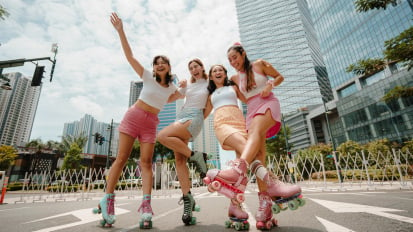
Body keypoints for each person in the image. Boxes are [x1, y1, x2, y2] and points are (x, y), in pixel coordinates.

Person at [94, 12, 178, 228]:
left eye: (164, 63)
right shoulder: (147, 76)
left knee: (147, 163)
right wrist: (121, 30)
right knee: (121, 159)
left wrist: (194, 83)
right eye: (156, 63)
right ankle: (108, 201)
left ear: (169, 67)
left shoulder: (171, 88)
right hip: (134, 117)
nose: (159, 65)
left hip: (151, 124)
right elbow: (130, 56)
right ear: (154, 67)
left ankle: (146, 208)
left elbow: (191, 93)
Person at [207, 43, 302, 229]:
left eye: (234, 58)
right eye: (229, 60)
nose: (232, 62)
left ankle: (240, 183)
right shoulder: (222, 86)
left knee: (256, 144)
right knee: (253, 156)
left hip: (255, 112)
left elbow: (270, 82)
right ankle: (269, 193)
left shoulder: (248, 73)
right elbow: (203, 109)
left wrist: (270, 85)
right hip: (237, 117)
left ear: (243, 55)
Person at [157, 58, 209, 225]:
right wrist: (178, 87)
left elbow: (210, 104)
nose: (194, 69)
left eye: (196, 66)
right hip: (181, 117)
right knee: (180, 161)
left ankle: (196, 156)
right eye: (191, 67)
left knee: (162, 136)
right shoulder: (188, 86)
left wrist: (200, 119)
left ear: (202, 68)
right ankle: (188, 200)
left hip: (194, 116)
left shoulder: (209, 84)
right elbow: (169, 99)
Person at [202, 64, 250, 229]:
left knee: (242, 169)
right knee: (247, 149)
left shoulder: (233, 87)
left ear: (225, 73)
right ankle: (270, 181)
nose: (217, 72)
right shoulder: (211, 95)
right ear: (210, 76)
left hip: (239, 121)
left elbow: (248, 99)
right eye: (214, 70)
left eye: (220, 69)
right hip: (222, 123)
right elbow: (203, 114)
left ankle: (234, 207)